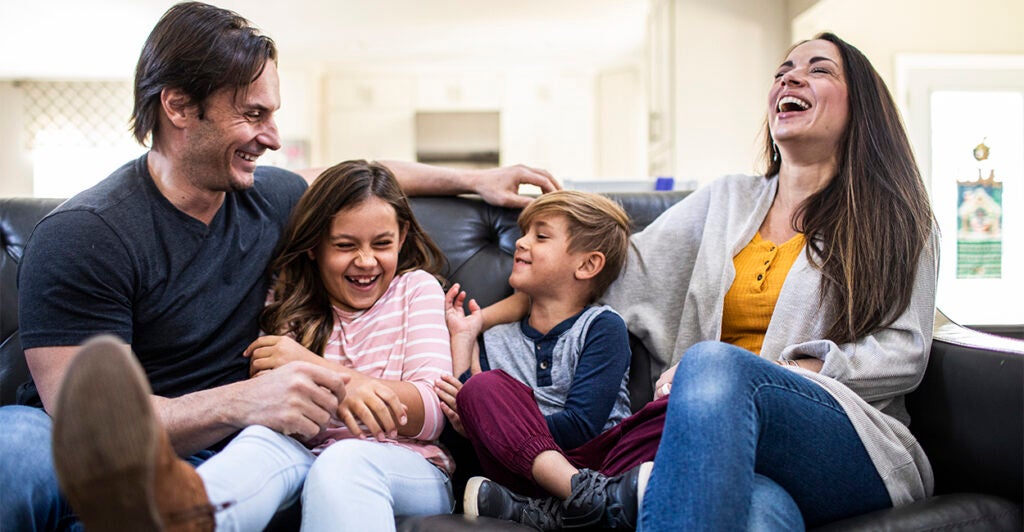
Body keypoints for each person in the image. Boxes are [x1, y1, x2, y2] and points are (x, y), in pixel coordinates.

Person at [0, 2, 558, 531]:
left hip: (240, 448)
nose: (270, 137)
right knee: (14, 449)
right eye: (252, 114)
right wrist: (244, 400)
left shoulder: (269, 197)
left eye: (273, 115)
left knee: (269, 461)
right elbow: (91, 428)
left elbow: (353, 178)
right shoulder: (84, 235)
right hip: (116, 441)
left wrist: (473, 180)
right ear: (178, 107)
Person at [481, 32, 938, 530]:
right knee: (760, 514)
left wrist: (789, 368)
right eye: (784, 68)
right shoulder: (725, 201)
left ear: (863, 107)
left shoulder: (898, 218)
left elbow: (906, 352)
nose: (790, 75)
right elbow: (596, 273)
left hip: (846, 441)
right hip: (726, 450)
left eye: (819, 69)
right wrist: (479, 316)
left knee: (713, 363)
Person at [54, 160, 455, 530]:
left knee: (345, 460)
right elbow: (280, 411)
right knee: (261, 443)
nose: (366, 261)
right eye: (346, 246)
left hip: (410, 467)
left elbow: (431, 411)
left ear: (402, 237)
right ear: (314, 246)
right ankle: (181, 511)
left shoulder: (414, 290)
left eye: (382, 244)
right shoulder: (288, 301)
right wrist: (329, 394)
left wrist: (317, 369)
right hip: (307, 457)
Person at [435, 190, 644, 530]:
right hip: (519, 472)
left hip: (601, 462)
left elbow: (581, 427)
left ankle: (561, 505)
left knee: (672, 412)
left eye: (541, 236)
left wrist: (487, 426)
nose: (521, 242)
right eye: (524, 233)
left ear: (588, 264)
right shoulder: (495, 340)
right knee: (481, 389)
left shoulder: (602, 326)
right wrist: (464, 335)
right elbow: (466, 412)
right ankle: (584, 502)